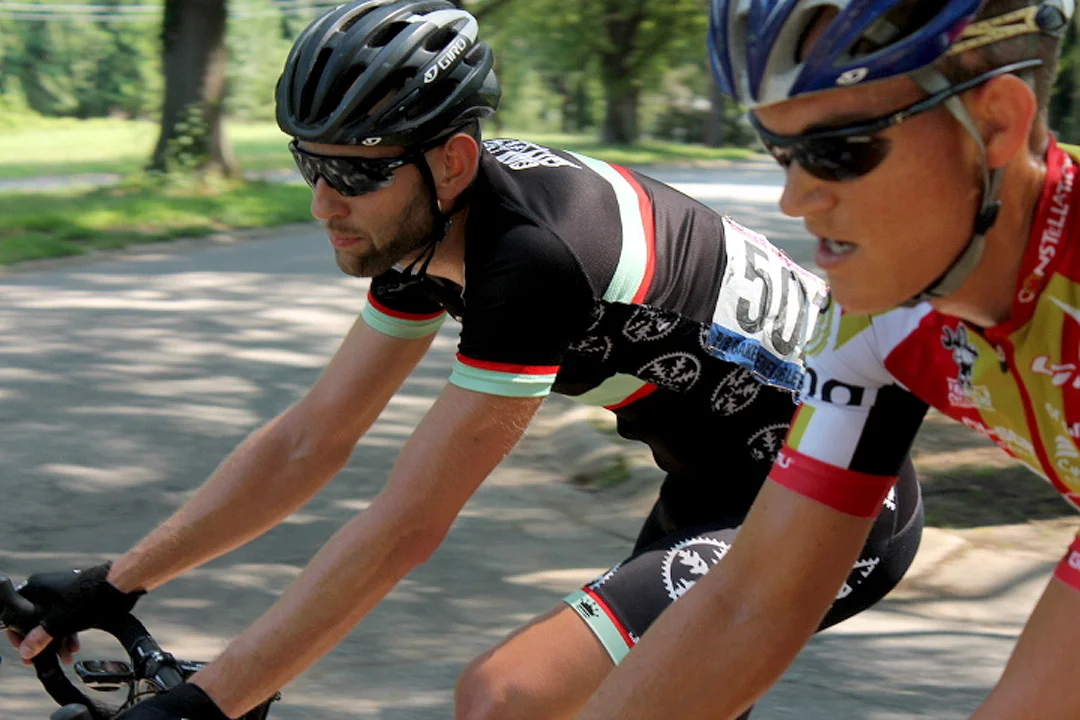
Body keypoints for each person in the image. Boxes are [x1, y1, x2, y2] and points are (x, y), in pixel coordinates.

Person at [5, 2, 923, 719]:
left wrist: (216, 698)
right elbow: (310, 440)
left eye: (358, 172)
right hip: (715, 487)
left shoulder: (532, 258)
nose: (325, 204)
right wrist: (113, 581)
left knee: (506, 698)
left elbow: (408, 524)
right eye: (308, 164)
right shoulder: (429, 226)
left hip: (837, 501)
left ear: (449, 160)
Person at [568, 1, 1080, 719]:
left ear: (997, 122)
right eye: (781, 152)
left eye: (840, 150)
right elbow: (753, 602)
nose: (796, 197)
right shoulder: (874, 306)